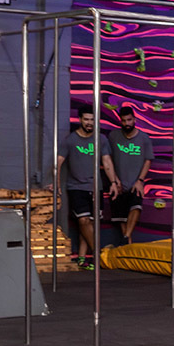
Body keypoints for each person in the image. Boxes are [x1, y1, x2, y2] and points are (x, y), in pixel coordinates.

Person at [56, 104, 120, 270]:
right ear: (80, 120)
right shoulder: (71, 140)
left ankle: (82, 258)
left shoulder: (101, 139)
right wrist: (56, 184)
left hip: (96, 187)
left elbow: (107, 162)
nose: (89, 122)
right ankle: (99, 254)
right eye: (86, 119)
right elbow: (58, 162)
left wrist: (113, 182)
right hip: (76, 187)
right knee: (83, 220)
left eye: (92, 119)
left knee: (90, 223)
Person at [107, 105, 154, 245]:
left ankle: (126, 236)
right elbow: (107, 159)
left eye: (129, 120)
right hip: (118, 182)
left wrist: (140, 180)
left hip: (135, 182)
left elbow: (148, 160)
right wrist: (114, 179)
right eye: (123, 121)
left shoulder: (144, 138)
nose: (126, 123)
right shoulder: (113, 136)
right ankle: (127, 241)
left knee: (136, 206)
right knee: (120, 216)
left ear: (134, 120)